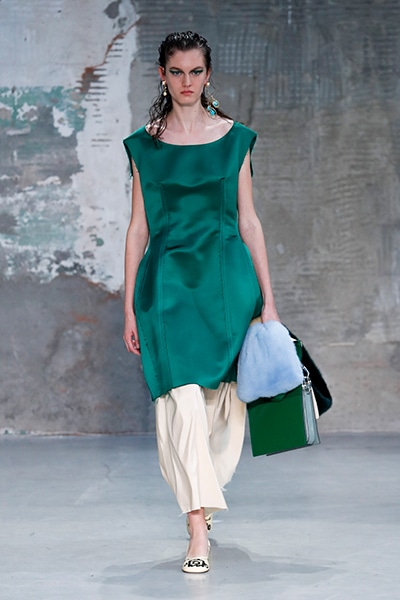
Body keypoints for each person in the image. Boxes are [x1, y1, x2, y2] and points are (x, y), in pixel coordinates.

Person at [122, 31, 279, 574]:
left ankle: (203, 498)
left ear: (208, 75)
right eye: (176, 72)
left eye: (195, 72)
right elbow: (138, 228)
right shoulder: (144, 146)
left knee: (224, 409)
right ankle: (196, 528)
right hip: (166, 289)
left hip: (227, 284)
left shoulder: (235, 140)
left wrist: (270, 301)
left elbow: (250, 221)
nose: (186, 82)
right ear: (162, 76)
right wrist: (128, 306)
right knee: (181, 403)